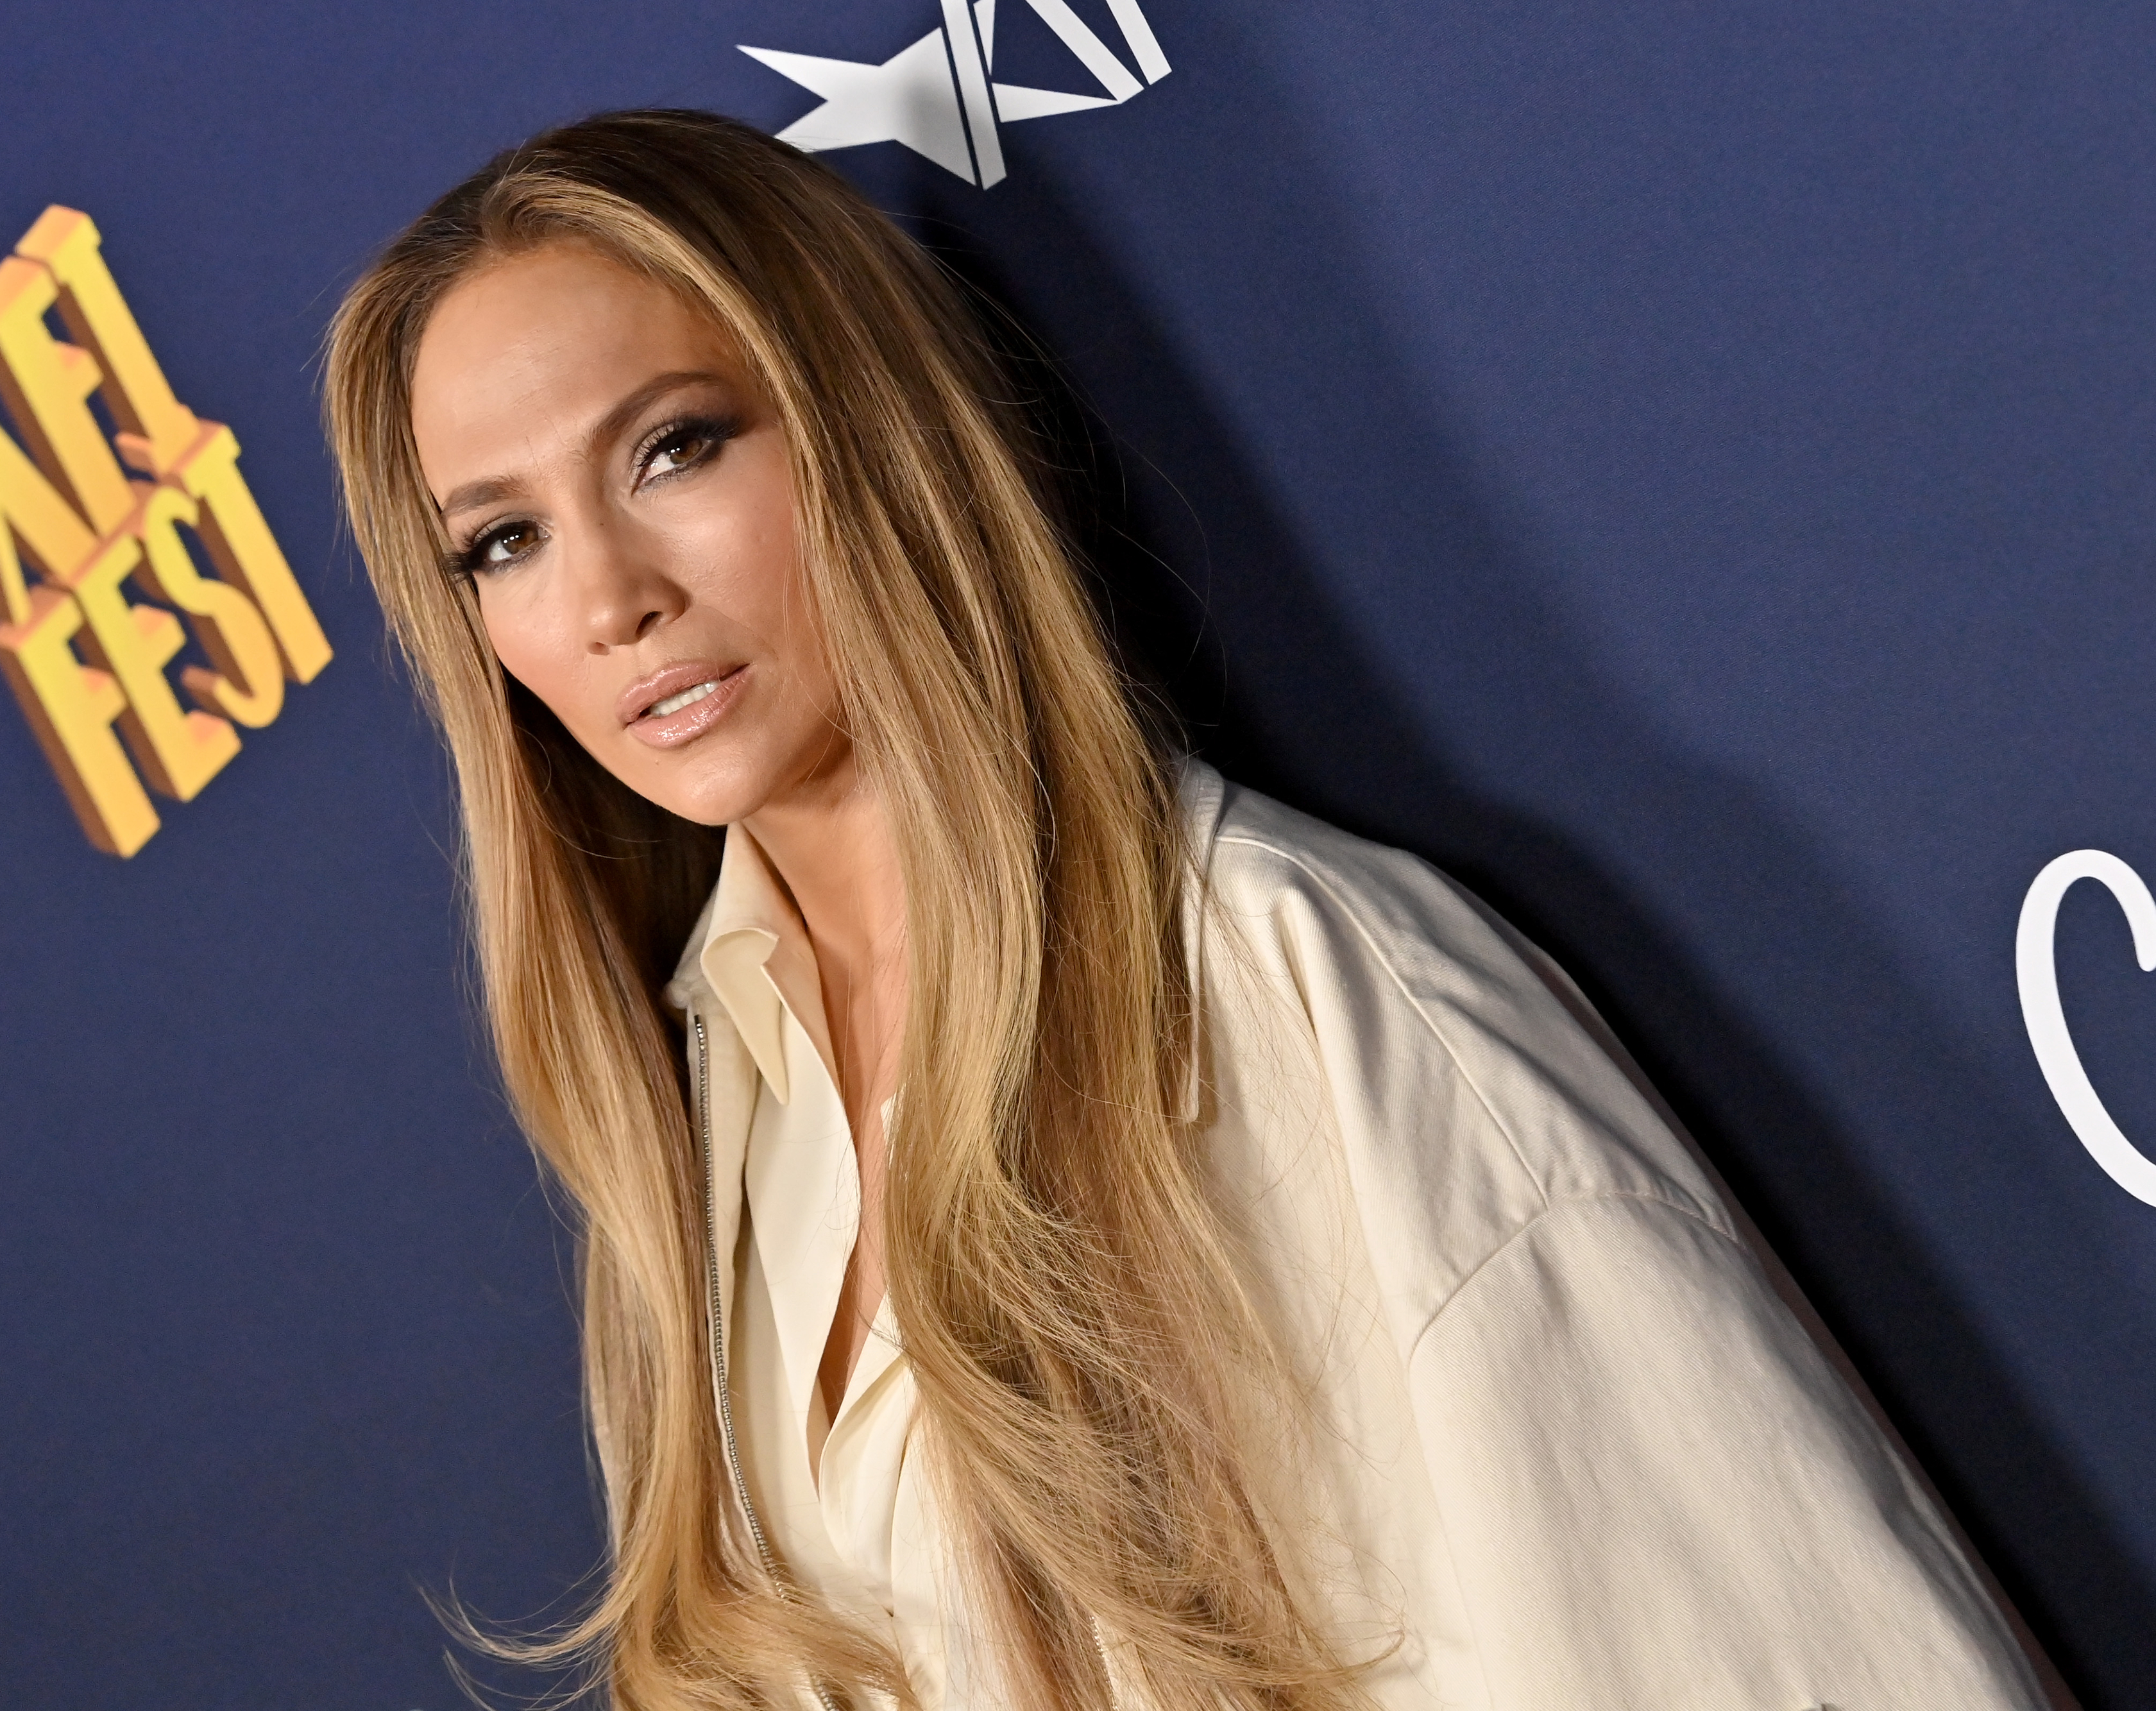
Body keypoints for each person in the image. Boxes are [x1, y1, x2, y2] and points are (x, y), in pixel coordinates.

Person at [323, 109, 2054, 1711]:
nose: (611, 597)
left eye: (675, 446)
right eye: (502, 542)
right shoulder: (709, 1109)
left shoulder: (1309, 991)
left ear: (868, 429)